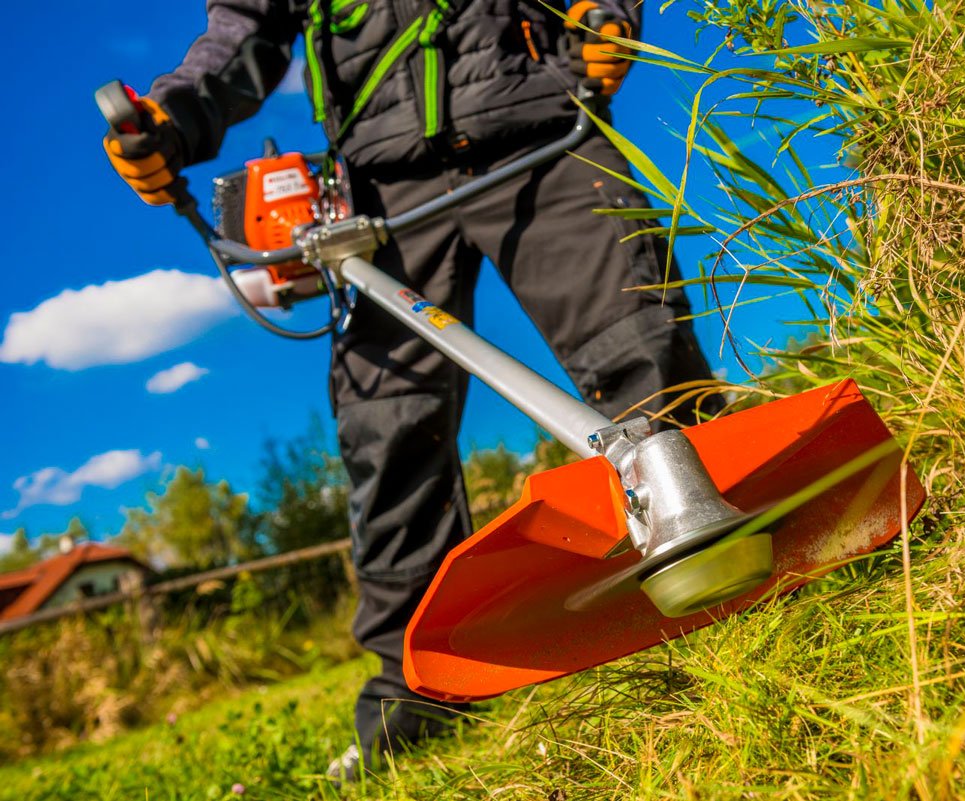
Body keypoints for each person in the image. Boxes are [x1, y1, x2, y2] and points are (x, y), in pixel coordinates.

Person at [103, 0, 723, 782]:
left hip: (537, 126)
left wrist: (604, 14)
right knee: (388, 432)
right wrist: (174, 113)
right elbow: (244, 31)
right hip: (380, 186)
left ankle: (732, 555)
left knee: (640, 350)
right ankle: (420, 685)